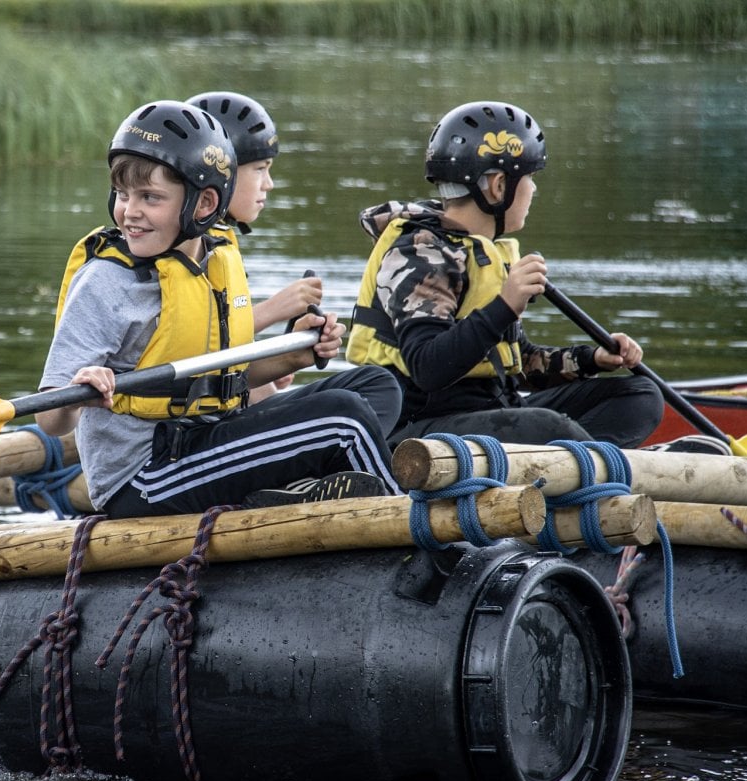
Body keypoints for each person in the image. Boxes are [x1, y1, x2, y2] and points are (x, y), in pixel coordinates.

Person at [37, 100, 402, 519]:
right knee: (345, 418)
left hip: (206, 437)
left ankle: (303, 492)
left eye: (150, 197)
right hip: (144, 476)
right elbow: (51, 422)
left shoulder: (215, 258)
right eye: (123, 195)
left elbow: (221, 381)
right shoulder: (106, 282)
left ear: (205, 204)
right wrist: (80, 390)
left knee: (376, 386)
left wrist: (296, 354)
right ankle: (408, 539)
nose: (130, 212)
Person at [346, 100, 664, 450]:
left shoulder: (483, 251)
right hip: (418, 431)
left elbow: (519, 361)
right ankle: (595, 473)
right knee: (546, 426)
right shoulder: (420, 251)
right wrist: (505, 305)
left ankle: (574, 468)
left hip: (491, 412)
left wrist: (591, 359)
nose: (533, 190)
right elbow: (428, 367)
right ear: (499, 186)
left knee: (639, 394)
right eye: (528, 178)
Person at [186, 90, 321, 403]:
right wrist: (276, 309)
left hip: (219, 405)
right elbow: (186, 342)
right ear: (221, 175)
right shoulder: (182, 247)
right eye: (260, 169)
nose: (269, 183)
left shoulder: (220, 245)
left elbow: (226, 349)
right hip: (182, 429)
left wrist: (281, 357)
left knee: (370, 386)